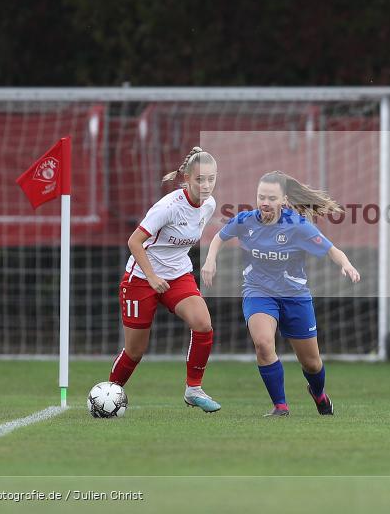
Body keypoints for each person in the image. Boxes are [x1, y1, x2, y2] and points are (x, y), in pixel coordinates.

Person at [202, 170, 360, 417]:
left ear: (284, 200)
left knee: (312, 363)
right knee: (263, 344)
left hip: (294, 296)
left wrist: (346, 264)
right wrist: (210, 260)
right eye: (261, 196)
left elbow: (331, 250)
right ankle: (280, 406)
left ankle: (318, 394)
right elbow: (219, 237)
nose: (265, 202)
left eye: (271, 198)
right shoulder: (245, 221)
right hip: (258, 292)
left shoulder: (298, 227)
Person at [108, 147, 221, 413]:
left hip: (178, 275)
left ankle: (193, 390)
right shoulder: (168, 207)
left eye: (211, 179)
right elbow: (134, 241)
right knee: (135, 351)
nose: (206, 185)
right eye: (199, 179)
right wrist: (152, 276)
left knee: (203, 324)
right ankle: (109, 394)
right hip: (141, 278)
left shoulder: (209, 205)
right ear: (186, 177)